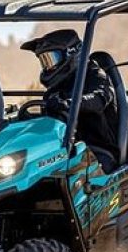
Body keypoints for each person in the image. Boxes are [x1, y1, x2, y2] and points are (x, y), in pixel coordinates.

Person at [21, 29, 119, 172]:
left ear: (72, 53)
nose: (48, 67)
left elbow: (99, 99)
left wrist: (69, 103)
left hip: (99, 151)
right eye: (44, 61)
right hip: (65, 150)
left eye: (51, 59)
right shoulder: (57, 87)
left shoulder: (96, 75)